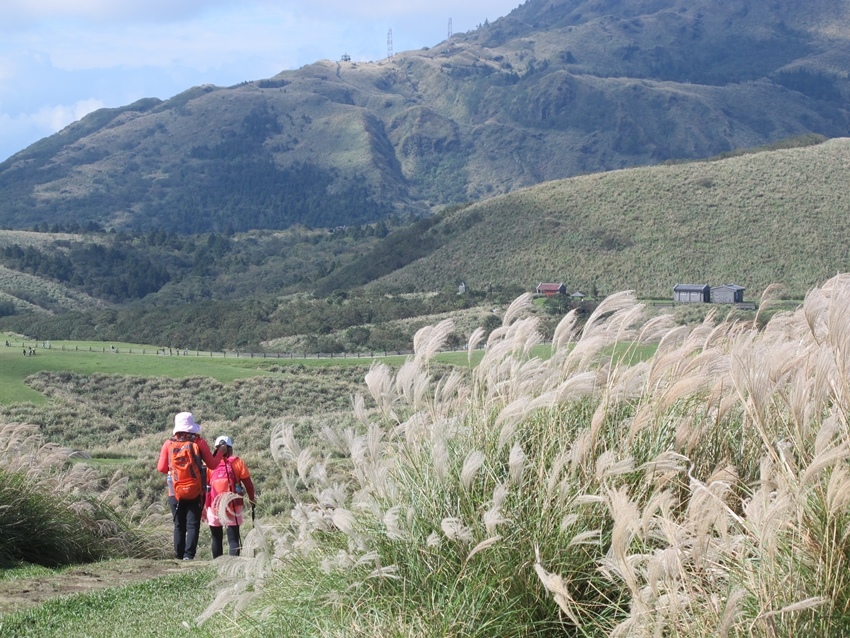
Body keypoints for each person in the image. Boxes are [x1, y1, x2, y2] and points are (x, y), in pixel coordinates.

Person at [157, 412, 224, 560]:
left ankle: (178, 557)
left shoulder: (168, 444)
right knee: (192, 524)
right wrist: (220, 453)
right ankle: (189, 556)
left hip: (175, 491)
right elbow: (212, 464)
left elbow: (161, 468)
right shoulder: (198, 442)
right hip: (195, 490)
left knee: (179, 525)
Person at [204, 435, 256, 558]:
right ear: (230, 448)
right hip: (233, 505)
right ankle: (233, 566)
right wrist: (252, 499)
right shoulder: (238, 462)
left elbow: (205, 486)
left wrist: (204, 507)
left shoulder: (210, 465)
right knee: (233, 538)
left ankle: (217, 566)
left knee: (216, 538)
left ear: (216, 448)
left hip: (215, 505)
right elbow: (248, 484)